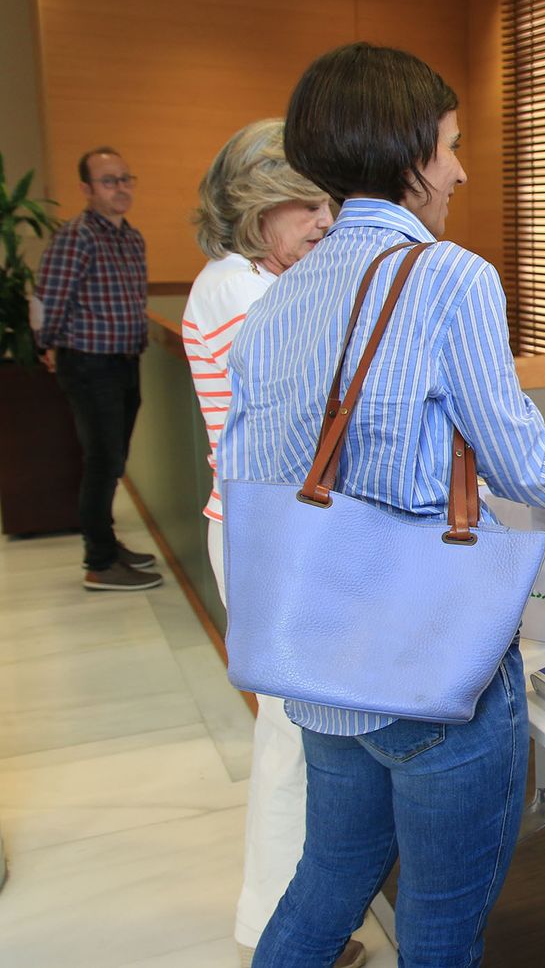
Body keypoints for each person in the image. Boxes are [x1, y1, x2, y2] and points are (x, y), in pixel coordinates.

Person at [216, 43, 545, 966]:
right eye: (449, 146)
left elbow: (251, 471)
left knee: (324, 884)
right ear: (406, 155)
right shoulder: (451, 278)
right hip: (433, 675)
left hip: (322, 666)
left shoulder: (278, 300)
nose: (460, 169)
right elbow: (531, 472)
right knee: (439, 928)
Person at [185, 120, 365, 968]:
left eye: (331, 205)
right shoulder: (240, 294)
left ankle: (297, 923)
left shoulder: (244, 283)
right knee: (292, 738)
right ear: (257, 208)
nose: (325, 224)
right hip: (269, 540)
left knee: (294, 733)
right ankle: (285, 931)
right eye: (310, 206)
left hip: (269, 533)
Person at [34, 147, 161, 590]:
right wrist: (44, 343)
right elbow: (47, 297)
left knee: (114, 459)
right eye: (110, 181)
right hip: (89, 364)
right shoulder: (77, 236)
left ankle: (108, 542)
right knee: (102, 460)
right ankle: (99, 562)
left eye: (126, 179)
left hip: (124, 362)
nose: (121, 188)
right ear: (87, 189)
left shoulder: (131, 237)